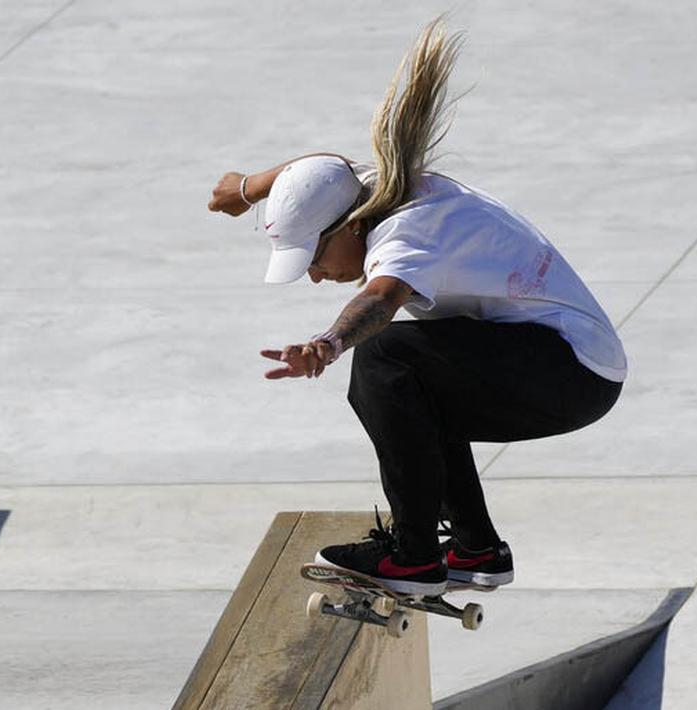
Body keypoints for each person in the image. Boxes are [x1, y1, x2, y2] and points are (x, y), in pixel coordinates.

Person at [208, 18, 626, 596]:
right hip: (555, 367)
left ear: (351, 226)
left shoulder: (407, 232)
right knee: (413, 390)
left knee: (385, 359)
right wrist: (250, 187)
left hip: (569, 373)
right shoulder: (369, 185)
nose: (315, 275)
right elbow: (322, 165)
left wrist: (328, 344)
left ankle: (413, 559)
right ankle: (477, 548)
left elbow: (380, 301)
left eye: (316, 257)